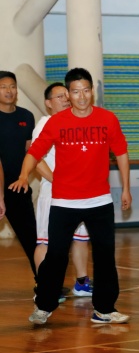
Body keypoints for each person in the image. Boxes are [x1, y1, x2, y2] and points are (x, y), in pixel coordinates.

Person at [9, 68, 132, 325]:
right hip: (64, 202)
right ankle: (44, 305)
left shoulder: (108, 119)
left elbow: (121, 153)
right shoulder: (56, 122)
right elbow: (34, 152)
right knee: (55, 256)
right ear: (68, 94)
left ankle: (104, 309)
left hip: (100, 201)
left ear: (92, 91)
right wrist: (23, 175)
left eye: (86, 90)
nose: (82, 96)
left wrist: (126, 188)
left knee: (105, 256)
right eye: (76, 92)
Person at [32, 82, 93, 297]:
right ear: (48, 103)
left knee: (80, 238)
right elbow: (35, 158)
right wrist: (57, 181)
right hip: (53, 192)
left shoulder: (75, 122)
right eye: (59, 97)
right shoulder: (45, 123)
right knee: (46, 241)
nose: (66, 100)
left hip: (79, 193)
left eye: (67, 95)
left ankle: (82, 283)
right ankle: (45, 288)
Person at [0, 71, 38, 279]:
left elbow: (30, 153)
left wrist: (23, 177)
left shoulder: (26, 116)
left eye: (12, 86)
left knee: (32, 239)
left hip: (18, 187)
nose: (9, 91)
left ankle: (45, 285)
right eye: (3, 87)